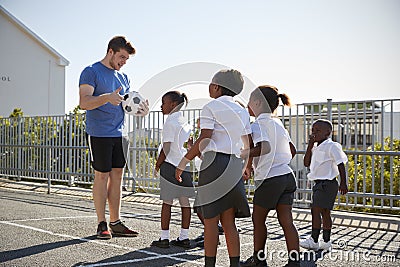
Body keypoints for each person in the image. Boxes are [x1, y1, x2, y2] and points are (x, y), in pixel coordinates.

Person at [176, 69, 252, 267]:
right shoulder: (242, 110)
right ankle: (234, 264)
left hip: (213, 164)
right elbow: (247, 144)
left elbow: (206, 137)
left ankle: (210, 265)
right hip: (234, 164)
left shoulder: (211, 106)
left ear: (216, 86)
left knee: (210, 221)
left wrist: (184, 161)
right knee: (229, 222)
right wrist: (247, 166)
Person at [79, 36, 149, 239]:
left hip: (120, 133)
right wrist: (106, 98)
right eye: (121, 57)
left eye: (126, 59)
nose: (124, 62)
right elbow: (84, 102)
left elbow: (126, 105)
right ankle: (102, 223)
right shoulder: (91, 71)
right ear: (110, 52)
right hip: (98, 132)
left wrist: (140, 111)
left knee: (117, 176)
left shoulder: (124, 78)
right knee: (102, 175)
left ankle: (116, 222)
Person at [241, 85, 300, 267]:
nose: (247, 106)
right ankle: (294, 262)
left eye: (249, 102)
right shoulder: (278, 123)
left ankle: (258, 261)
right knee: (287, 221)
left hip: (270, 178)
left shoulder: (257, 125)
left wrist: (243, 154)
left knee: (258, 220)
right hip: (287, 176)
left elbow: (263, 147)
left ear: (257, 103)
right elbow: (292, 150)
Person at [151, 91, 195, 249]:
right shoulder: (185, 121)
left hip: (170, 165)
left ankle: (164, 238)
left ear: (173, 104)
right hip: (184, 166)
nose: (161, 106)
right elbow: (189, 144)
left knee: (167, 203)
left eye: (164, 103)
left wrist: (157, 165)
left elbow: (166, 148)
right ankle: (184, 237)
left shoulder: (171, 121)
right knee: (185, 203)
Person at [299, 119, 348, 251]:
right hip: (318, 184)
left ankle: (314, 240)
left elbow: (340, 164)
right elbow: (306, 163)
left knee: (315, 209)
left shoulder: (332, 146)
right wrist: (309, 146)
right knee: (325, 213)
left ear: (328, 132)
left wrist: (343, 182)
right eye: (312, 130)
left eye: (318, 131)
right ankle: (326, 241)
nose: (314, 133)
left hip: (328, 184)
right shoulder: (315, 147)